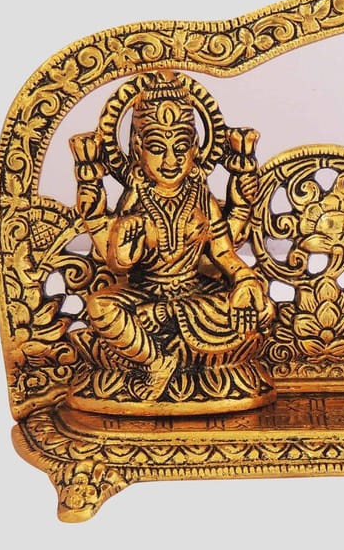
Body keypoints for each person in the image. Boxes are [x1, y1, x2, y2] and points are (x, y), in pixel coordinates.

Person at [71, 70, 274, 402]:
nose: (170, 160)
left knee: (261, 309)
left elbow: (223, 253)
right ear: (137, 148)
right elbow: (118, 263)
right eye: (157, 148)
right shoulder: (135, 200)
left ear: (195, 148)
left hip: (195, 294)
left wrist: (245, 281)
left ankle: (160, 340)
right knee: (100, 307)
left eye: (180, 148)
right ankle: (156, 361)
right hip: (145, 294)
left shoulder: (201, 196)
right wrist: (126, 238)